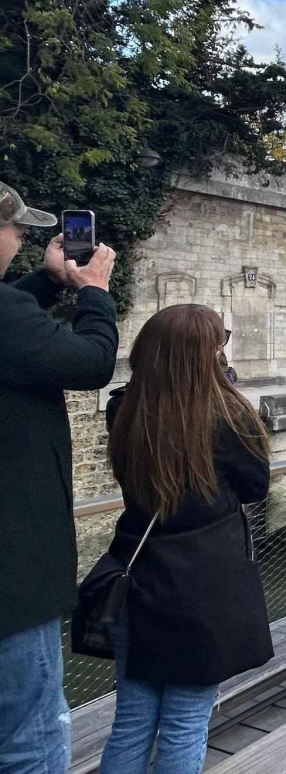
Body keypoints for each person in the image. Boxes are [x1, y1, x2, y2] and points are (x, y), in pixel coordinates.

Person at [99, 305, 273, 774]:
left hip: (136, 575)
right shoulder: (228, 415)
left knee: (132, 720)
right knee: (184, 722)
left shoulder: (123, 407)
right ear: (205, 354)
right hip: (204, 588)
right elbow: (255, 487)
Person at [0, 184, 118, 774]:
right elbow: (92, 363)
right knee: (33, 733)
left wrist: (48, 283)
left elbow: (13, 330)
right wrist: (94, 292)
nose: (22, 236)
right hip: (13, 573)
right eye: (14, 227)